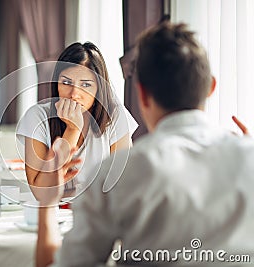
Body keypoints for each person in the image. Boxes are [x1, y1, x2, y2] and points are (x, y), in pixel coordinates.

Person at [35, 22, 254, 267]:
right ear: (211, 87)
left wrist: (46, 203)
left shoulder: (121, 173)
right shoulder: (249, 158)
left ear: (141, 94)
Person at [16, 42, 138, 194]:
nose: (74, 94)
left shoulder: (115, 116)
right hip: (55, 214)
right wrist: (72, 130)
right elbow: (41, 192)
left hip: (101, 214)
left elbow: (124, 185)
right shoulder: (37, 116)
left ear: (99, 89)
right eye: (66, 82)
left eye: (86, 85)